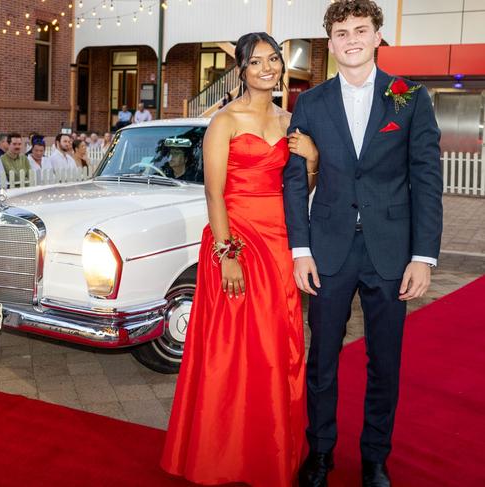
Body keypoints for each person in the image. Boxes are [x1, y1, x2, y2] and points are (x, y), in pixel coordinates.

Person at [283, 2, 443, 487]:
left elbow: (427, 179)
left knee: (385, 362)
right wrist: (300, 249)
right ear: (329, 43)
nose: (350, 39)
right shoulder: (309, 103)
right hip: (327, 251)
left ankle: (375, 458)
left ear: (378, 36)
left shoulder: (409, 97)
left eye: (360, 30)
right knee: (322, 360)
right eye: (340, 32)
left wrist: (424, 255)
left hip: (392, 252)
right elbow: (294, 180)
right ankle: (321, 454)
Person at [162, 32, 319, 487]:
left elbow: (297, 191)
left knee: (276, 349)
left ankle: (266, 450)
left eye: (274, 60)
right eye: (257, 62)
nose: (267, 68)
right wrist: (226, 253)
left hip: (279, 242)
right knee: (230, 351)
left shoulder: (292, 120)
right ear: (241, 70)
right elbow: (214, 192)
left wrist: (311, 162)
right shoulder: (224, 122)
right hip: (236, 241)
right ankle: (220, 452)